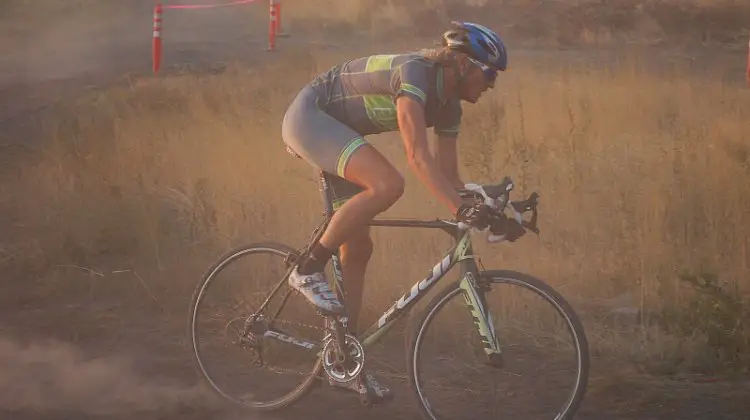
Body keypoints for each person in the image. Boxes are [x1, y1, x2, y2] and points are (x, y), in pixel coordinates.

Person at [280, 21, 507, 403]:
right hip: (311, 117)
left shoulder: (450, 107)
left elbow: (450, 177)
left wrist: (492, 207)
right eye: (489, 74)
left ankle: (342, 361)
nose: (491, 84)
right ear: (463, 64)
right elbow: (417, 156)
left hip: (342, 134)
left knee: (358, 251)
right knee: (389, 184)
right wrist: (458, 209)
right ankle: (306, 269)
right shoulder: (416, 73)